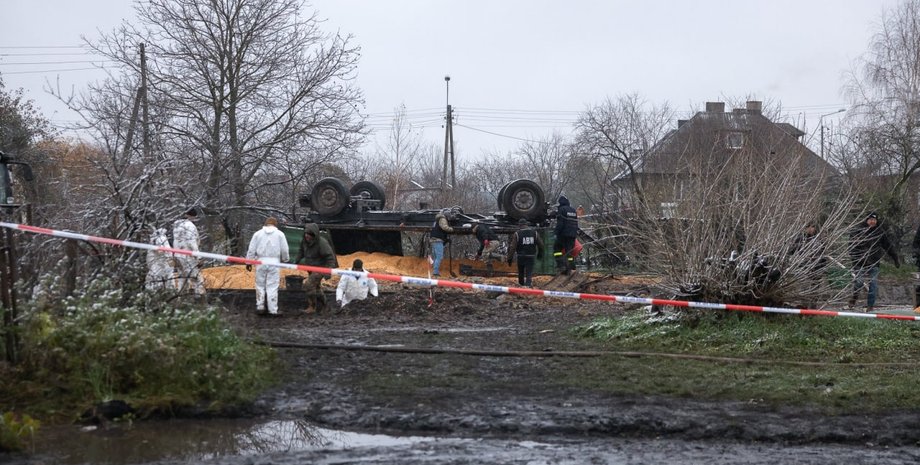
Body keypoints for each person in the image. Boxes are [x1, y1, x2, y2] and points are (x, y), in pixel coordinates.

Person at [848, 212, 900, 312]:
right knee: (859, 282)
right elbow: (851, 247)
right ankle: (854, 298)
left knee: (874, 284)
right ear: (867, 220)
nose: (873, 222)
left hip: (874, 262)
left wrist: (895, 258)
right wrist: (855, 258)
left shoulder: (879, 232)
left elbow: (888, 246)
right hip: (860, 262)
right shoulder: (858, 230)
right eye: (871, 220)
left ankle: (870, 306)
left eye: (874, 220)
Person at [246, 217, 290, 316]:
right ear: (275, 224)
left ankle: (260, 306)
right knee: (272, 286)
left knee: (260, 285)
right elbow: (285, 249)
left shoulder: (257, 234)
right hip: (274, 263)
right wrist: (285, 259)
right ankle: (272, 310)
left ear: (266, 224)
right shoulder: (280, 234)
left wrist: (248, 262)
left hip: (260, 262)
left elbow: (251, 249)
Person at [295, 223, 338, 314]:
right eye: (306, 234)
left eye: (309, 234)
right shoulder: (305, 242)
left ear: (314, 235)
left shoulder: (322, 243)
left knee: (308, 285)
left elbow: (330, 258)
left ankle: (312, 307)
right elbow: (301, 251)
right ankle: (325, 305)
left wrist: (327, 272)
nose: (307, 236)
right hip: (311, 267)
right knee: (316, 288)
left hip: (320, 268)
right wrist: (296, 260)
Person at [173, 207, 206, 296]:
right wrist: (199, 256)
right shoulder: (189, 226)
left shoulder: (176, 226)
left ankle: (180, 298)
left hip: (177, 255)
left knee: (182, 278)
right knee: (196, 277)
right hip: (188, 256)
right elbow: (191, 242)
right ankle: (199, 298)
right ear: (191, 216)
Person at [507, 218, 544, 287]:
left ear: (519, 225)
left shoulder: (517, 234)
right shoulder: (534, 233)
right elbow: (541, 245)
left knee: (521, 272)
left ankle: (521, 286)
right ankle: (528, 287)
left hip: (521, 256)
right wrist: (540, 253)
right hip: (531, 256)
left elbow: (513, 248)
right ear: (527, 224)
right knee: (529, 272)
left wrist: (510, 258)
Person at [553, 195, 579, 275]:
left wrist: (556, 232)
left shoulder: (562, 209)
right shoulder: (573, 210)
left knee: (557, 249)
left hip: (563, 234)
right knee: (569, 252)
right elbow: (576, 223)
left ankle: (562, 266)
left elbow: (560, 223)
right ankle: (572, 268)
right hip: (572, 235)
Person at [429, 208, 456, 277]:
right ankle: (435, 272)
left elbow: (440, 230)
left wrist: (446, 239)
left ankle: (435, 271)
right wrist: (452, 229)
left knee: (435, 257)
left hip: (434, 239)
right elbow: (444, 227)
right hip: (438, 240)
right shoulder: (442, 219)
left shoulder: (437, 220)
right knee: (439, 257)